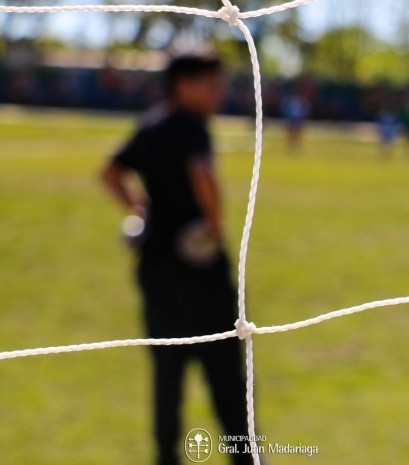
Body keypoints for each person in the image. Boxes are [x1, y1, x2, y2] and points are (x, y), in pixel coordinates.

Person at [100, 54, 253, 465]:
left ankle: (166, 458)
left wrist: (139, 210)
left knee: (166, 377)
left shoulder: (151, 123)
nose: (220, 92)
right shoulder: (190, 126)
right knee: (225, 378)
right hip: (200, 274)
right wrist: (215, 222)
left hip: (154, 269)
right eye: (212, 83)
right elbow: (200, 171)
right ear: (184, 84)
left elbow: (110, 172)